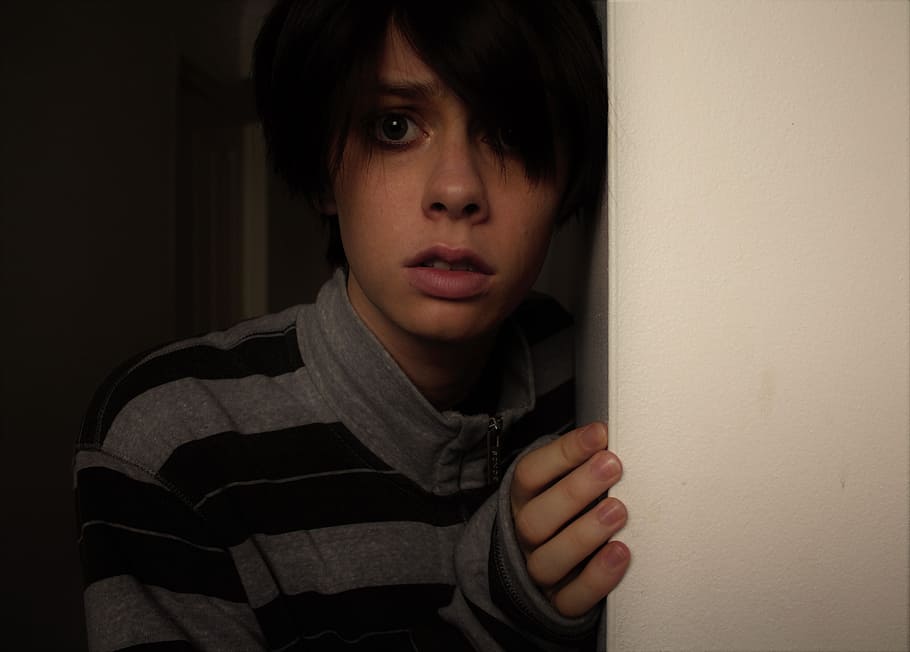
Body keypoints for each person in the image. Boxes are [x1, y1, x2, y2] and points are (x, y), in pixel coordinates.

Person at [74, 1, 629, 650]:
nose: (455, 189)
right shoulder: (171, 439)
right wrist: (502, 615)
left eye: (509, 134)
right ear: (322, 176)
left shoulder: (612, 380)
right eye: (394, 126)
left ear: (567, 182)